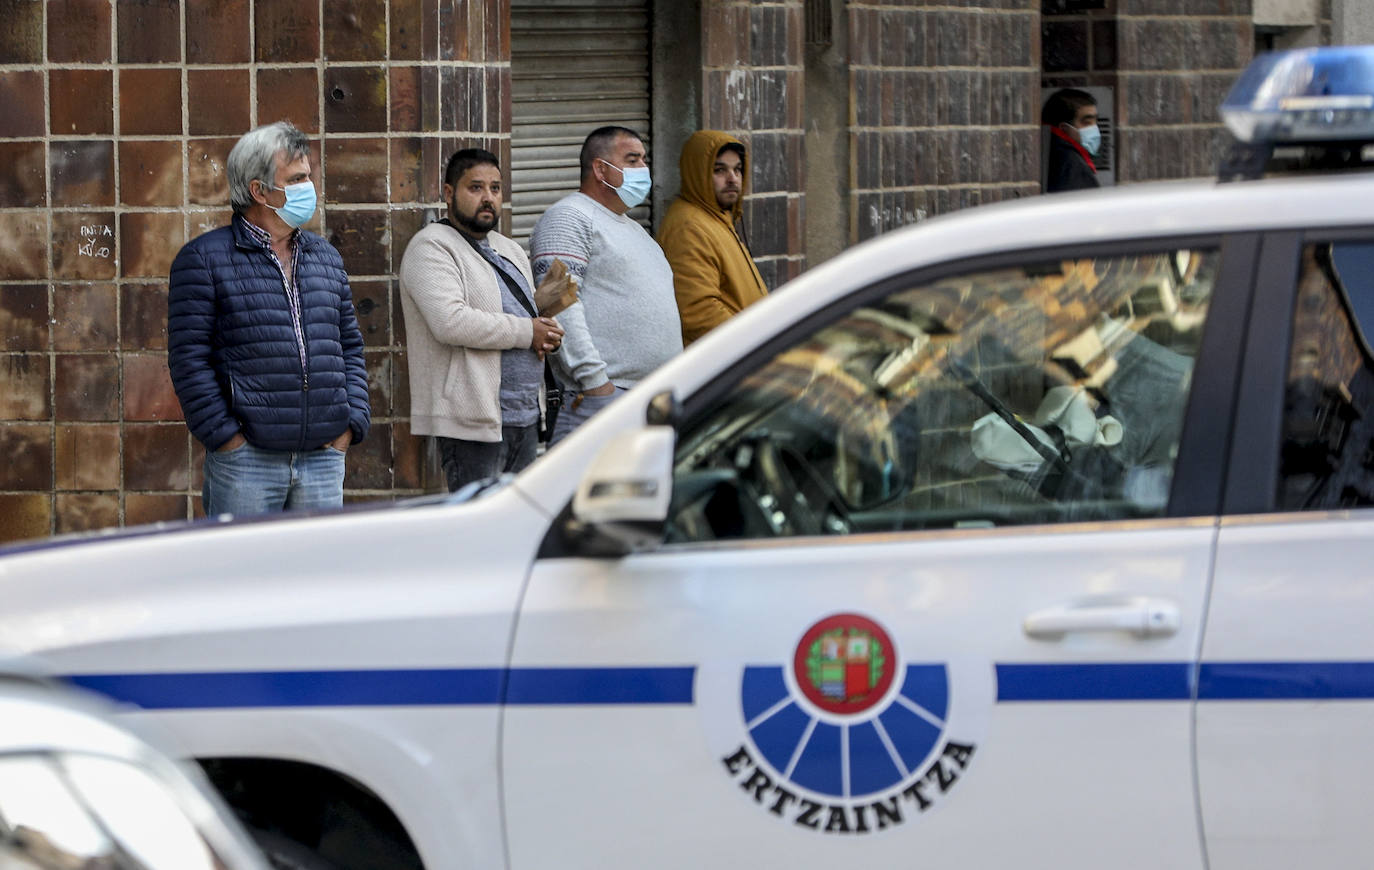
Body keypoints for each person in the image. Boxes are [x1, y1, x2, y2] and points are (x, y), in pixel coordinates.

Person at [168, 121, 369, 517]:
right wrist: (227, 440)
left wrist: (350, 426)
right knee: (243, 577)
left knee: (316, 577)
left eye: (308, 177)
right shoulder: (204, 260)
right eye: (295, 179)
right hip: (247, 463)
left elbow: (350, 347)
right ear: (259, 191)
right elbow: (189, 360)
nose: (308, 188)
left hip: (323, 459)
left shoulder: (325, 256)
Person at [398, 148, 564, 492]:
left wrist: (547, 331)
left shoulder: (509, 249)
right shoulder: (431, 247)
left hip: (525, 417)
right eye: (475, 188)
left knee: (518, 527)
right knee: (478, 532)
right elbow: (450, 321)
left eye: (495, 188)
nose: (488, 198)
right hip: (472, 424)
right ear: (448, 193)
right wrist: (527, 331)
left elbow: (525, 315)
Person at [529, 126, 682, 443]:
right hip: (600, 402)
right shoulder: (569, 217)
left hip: (647, 401)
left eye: (643, 160)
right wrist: (596, 383)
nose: (643, 169)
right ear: (600, 169)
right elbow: (557, 302)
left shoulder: (636, 232)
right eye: (632, 159)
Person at [658, 131, 768, 346]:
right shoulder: (689, 226)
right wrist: (754, 342)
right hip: (725, 359)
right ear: (697, 173)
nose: (732, 179)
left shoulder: (717, 218)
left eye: (737, 169)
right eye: (719, 170)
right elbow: (698, 311)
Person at [1043, 88, 1101, 193]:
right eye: (1087, 122)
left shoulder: (1046, 151)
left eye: (1096, 121)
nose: (1095, 128)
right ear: (1064, 128)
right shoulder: (1072, 165)